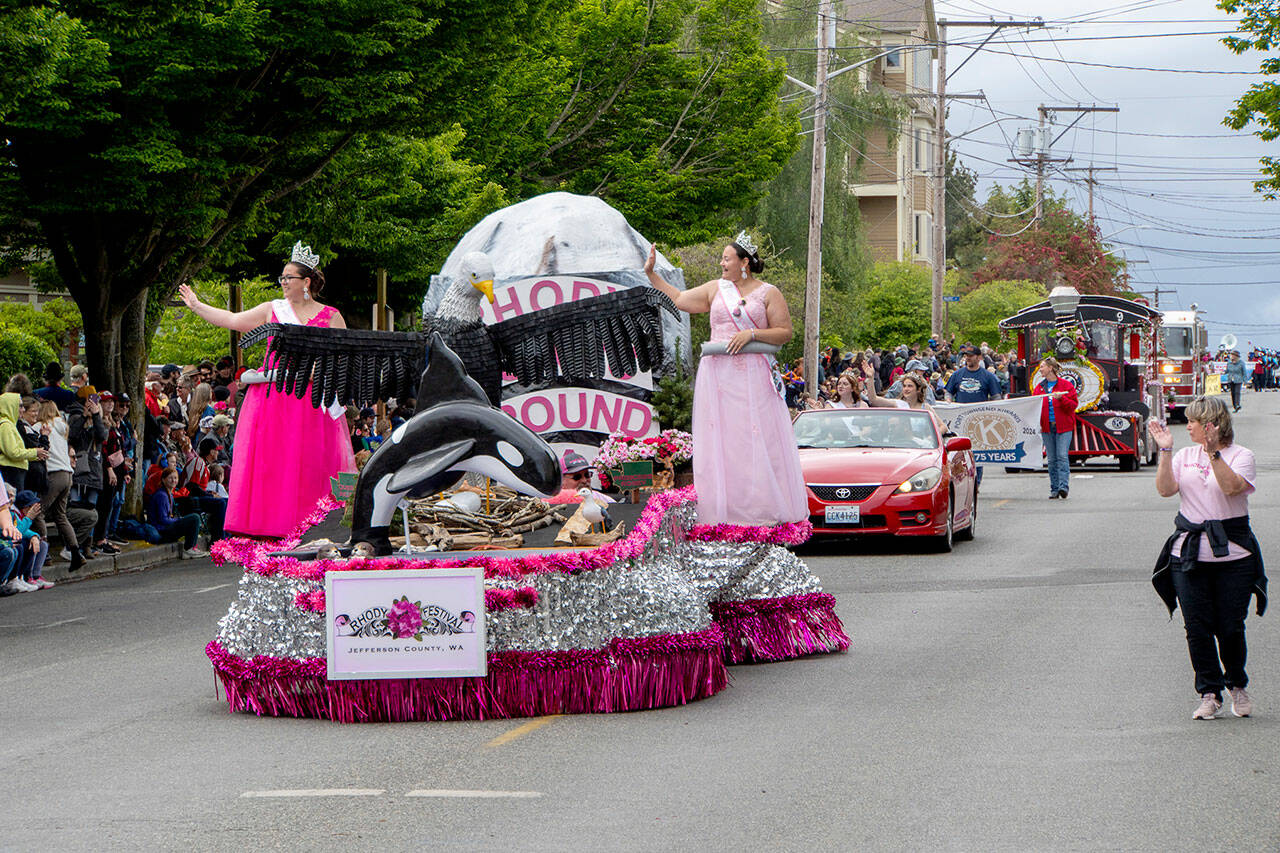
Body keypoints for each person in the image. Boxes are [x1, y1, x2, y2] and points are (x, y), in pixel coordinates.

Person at [178, 242, 356, 538]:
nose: (284, 283)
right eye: (282, 278)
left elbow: (344, 358)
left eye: (289, 278)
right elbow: (233, 320)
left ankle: (313, 524)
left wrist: (320, 371)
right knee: (275, 461)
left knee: (311, 462)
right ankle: (273, 525)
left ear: (306, 283)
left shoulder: (331, 316)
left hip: (310, 400)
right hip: (275, 398)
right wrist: (197, 306)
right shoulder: (273, 309)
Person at [643, 234, 806, 525]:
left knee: (755, 438)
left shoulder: (768, 292)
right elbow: (680, 300)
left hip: (754, 372)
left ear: (745, 262)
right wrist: (652, 274)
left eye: (727, 258)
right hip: (718, 374)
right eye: (721, 258)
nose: (721, 262)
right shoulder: (715, 289)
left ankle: (762, 509)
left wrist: (752, 334)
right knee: (724, 440)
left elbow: (784, 332)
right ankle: (725, 511)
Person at [1149, 397, 1265, 720]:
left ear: (1211, 425)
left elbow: (1231, 488)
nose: (1187, 426)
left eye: (1193, 422)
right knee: (1197, 627)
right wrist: (1166, 451)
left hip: (1234, 555)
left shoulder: (1242, 456)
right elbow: (1165, 490)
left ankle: (1236, 684)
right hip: (1188, 554)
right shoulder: (1185, 455)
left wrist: (1213, 453)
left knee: (1230, 625)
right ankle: (1209, 692)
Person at [946, 344, 1004, 487]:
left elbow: (997, 397)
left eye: (971, 356)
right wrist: (948, 402)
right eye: (966, 356)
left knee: (977, 453)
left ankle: (975, 484)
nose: (968, 359)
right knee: (960, 453)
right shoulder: (957, 375)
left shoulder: (988, 376)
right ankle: (962, 482)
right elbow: (948, 392)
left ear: (979, 358)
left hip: (980, 421)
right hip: (960, 420)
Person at [1033, 358, 1078, 500]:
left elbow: (1073, 406)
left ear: (1051, 368)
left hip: (1064, 427)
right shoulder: (1039, 388)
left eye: (1042, 367)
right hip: (1047, 427)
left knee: (1062, 456)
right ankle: (1054, 488)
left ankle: (1063, 487)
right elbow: (1033, 407)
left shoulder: (1066, 385)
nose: (1040, 369)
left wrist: (1061, 399)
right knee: (1051, 459)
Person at [146, 467, 206, 557]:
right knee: (194, 518)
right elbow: (163, 520)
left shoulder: (168, 493)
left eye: (175, 478)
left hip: (165, 528)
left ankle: (192, 547)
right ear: (163, 479)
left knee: (193, 518)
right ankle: (189, 549)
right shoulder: (161, 495)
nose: (173, 480)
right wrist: (179, 520)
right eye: (170, 478)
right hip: (161, 531)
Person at [0, 391, 49, 492]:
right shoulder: (6, 425)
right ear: (10, 406)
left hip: (15, 470)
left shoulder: (10, 425)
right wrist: (35, 452)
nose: (22, 410)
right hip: (11, 470)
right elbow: (13, 452)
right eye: (20, 406)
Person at [11, 490, 51, 589]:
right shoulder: (12, 513)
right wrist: (29, 518)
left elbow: (26, 531)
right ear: (25, 507)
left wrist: (34, 536)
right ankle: (18, 578)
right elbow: (17, 531)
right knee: (23, 545)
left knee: (42, 544)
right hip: (8, 542)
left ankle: (35, 576)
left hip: (16, 538)